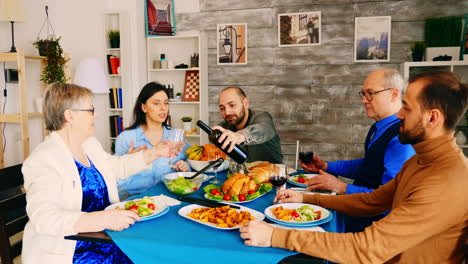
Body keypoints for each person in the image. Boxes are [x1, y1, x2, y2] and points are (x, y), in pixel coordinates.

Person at [239, 70, 468, 263]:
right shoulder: (420, 161)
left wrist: (276, 236)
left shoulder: (445, 181)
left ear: (432, 118)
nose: (399, 114)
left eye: (406, 108)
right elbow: (372, 201)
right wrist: (307, 198)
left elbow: (368, 248)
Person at [21, 83, 178, 264]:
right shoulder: (44, 159)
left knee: (158, 252)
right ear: (70, 116)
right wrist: (103, 219)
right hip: (73, 250)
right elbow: (45, 218)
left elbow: (117, 167)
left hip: (105, 239)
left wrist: (156, 152)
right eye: (91, 110)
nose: (96, 115)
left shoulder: (89, 145)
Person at [301, 68, 415, 232]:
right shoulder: (379, 127)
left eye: (371, 93)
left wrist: (340, 187)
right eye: (363, 94)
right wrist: (326, 167)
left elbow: (388, 201)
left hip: (374, 227)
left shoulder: (401, 139)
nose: (364, 100)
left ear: (394, 94)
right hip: (357, 212)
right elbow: (369, 165)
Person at [115, 82, 191, 200]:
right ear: (144, 107)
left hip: (168, 198)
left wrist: (186, 167)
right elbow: (117, 181)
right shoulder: (126, 138)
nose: (163, 108)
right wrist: (130, 162)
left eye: (166, 103)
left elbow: (190, 167)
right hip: (135, 199)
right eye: (156, 103)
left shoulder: (176, 136)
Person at [212, 87, 283, 164]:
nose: (227, 112)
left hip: (273, 173)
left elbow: (264, 129)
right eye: (222, 108)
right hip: (240, 174)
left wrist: (239, 136)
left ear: (245, 103)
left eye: (232, 105)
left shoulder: (262, 117)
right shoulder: (225, 127)